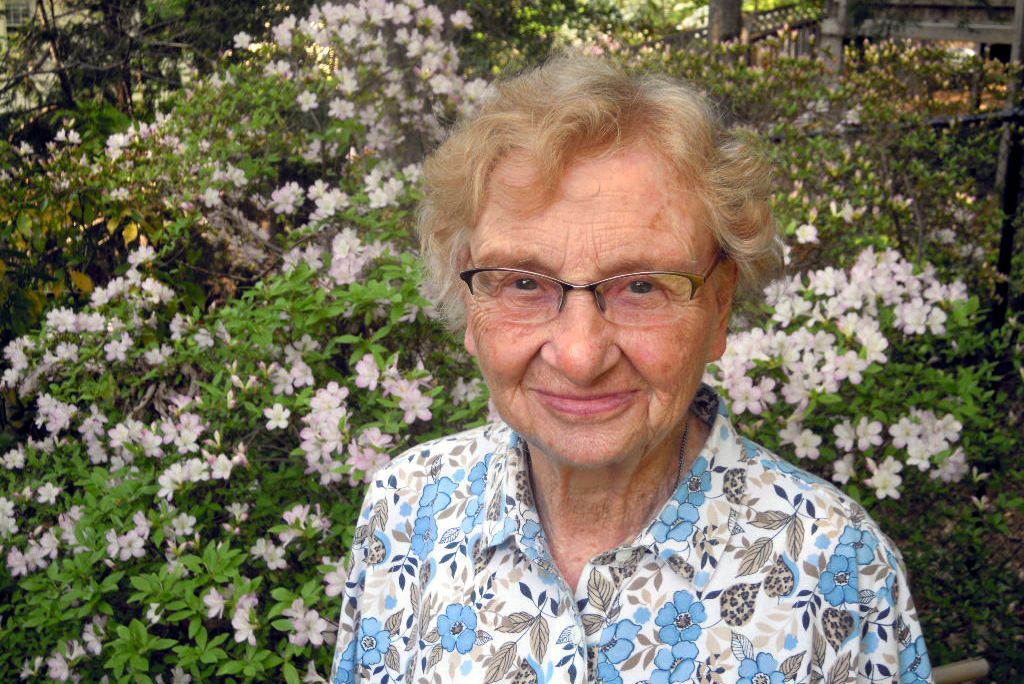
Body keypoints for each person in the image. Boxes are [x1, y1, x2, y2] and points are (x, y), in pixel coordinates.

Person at [330, 55, 934, 684]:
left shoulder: (840, 566)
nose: (581, 356)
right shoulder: (404, 508)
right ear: (468, 302)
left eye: (642, 286)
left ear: (719, 305)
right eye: (524, 283)